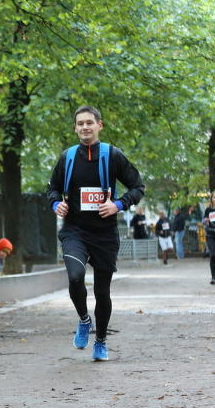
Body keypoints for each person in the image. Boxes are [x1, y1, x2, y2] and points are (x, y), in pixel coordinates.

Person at [47, 105, 145, 362]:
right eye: (80, 123)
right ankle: (83, 319)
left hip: (105, 234)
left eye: (89, 122)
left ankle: (100, 341)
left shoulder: (112, 155)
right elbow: (52, 189)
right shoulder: (68, 157)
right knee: (75, 277)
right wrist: (57, 204)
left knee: (102, 292)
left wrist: (118, 205)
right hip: (75, 230)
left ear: (99, 125)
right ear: (75, 128)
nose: (85, 127)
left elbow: (137, 187)